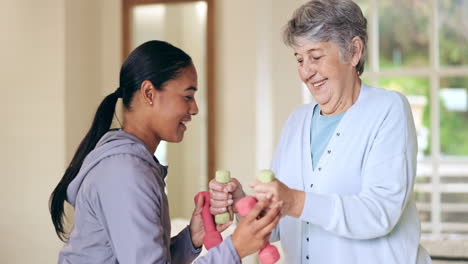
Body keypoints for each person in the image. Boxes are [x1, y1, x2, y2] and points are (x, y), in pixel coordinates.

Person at [209, 0, 432, 263]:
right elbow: (281, 224)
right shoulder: (297, 121)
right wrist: (242, 205)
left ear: (354, 51)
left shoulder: (387, 110)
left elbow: (379, 213)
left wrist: (293, 200)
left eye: (315, 57)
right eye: (299, 59)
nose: (305, 72)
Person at [49, 40, 282, 264]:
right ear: (149, 93)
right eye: (187, 96)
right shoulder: (125, 172)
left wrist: (192, 236)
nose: (195, 108)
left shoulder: (131, 163)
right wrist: (235, 248)